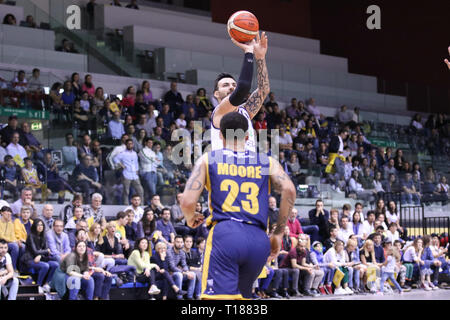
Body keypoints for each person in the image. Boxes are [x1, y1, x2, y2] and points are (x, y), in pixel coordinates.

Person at [180, 112, 296, 300]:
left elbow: (187, 201)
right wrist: (279, 232)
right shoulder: (267, 161)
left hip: (226, 235)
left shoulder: (208, 159)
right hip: (258, 240)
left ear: (220, 135)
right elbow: (289, 190)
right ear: (248, 136)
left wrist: (190, 217)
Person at [210, 32, 269, 153]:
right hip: (226, 169)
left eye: (233, 85)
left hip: (247, 169)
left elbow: (264, 90)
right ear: (216, 94)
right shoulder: (220, 112)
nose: (231, 87)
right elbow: (242, 89)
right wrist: (249, 52)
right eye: (225, 85)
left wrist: (260, 57)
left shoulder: (245, 111)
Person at [20, 218, 58, 293]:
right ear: (34, 226)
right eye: (38, 225)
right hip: (29, 259)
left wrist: (40, 255)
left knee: (55, 264)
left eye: (41, 225)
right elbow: (35, 251)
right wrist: (44, 252)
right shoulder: (30, 236)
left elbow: (48, 252)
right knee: (45, 266)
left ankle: (46, 284)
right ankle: (39, 285)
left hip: (40, 258)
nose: (40, 227)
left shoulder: (44, 236)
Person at [114, 139, 144, 205]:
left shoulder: (135, 153)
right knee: (126, 191)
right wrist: (121, 165)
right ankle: (125, 204)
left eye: (131, 143)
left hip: (134, 174)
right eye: (129, 144)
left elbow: (136, 163)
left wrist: (137, 170)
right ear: (126, 144)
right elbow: (115, 158)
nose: (130, 145)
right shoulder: (123, 153)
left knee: (140, 190)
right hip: (126, 173)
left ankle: (141, 204)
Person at [167, 235, 196, 300]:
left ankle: (190, 297)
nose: (180, 244)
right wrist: (185, 273)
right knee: (179, 275)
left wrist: (187, 272)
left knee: (193, 274)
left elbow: (184, 264)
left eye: (181, 242)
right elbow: (172, 267)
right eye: (178, 242)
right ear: (174, 242)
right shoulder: (169, 252)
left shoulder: (182, 252)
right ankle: (179, 297)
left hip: (177, 271)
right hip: (169, 273)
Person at [0, 206, 20, 270]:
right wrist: (13, 241)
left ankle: (20, 268)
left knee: (22, 246)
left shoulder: (10, 223)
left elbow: (13, 235)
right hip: (2, 243)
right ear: (2, 213)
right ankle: (12, 268)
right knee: (15, 246)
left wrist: (17, 241)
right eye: (7, 212)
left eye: (10, 212)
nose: (9, 214)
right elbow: (1, 236)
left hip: (9, 243)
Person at [183, 235, 203, 300]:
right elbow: (184, 266)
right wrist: (196, 268)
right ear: (184, 242)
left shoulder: (194, 252)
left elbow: (198, 264)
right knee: (196, 274)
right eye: (187, 241)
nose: (189, 243)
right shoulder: (181, 252)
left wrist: (198, 268)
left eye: (190, 242)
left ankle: (198, 294)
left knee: (201, 273)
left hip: (194, 270)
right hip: (184, 272)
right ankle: (192, 296)